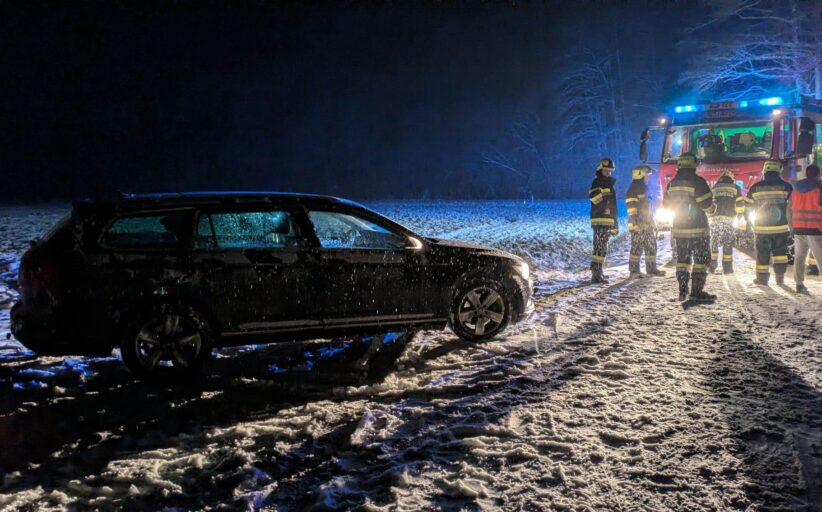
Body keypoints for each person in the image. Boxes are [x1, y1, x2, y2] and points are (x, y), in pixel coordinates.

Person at [664, 152, 715, 301]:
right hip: (698, 229)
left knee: (682, 260)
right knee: (701, 260)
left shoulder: (672, 183)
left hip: (679, 230)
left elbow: (667, 205)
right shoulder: (698, 181)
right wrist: (713, 209)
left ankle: (682, 290)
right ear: (694, 164)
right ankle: (696, 291)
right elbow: (707, 205)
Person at [744, 160, 793, 285]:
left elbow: (748, 207)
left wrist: (748, 223)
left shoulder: (755, 188)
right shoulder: (787, 187)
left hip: (761, 228)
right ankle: (780, 278)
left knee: (762, 254)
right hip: (781, 227)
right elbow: (792, 207)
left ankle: (762, 279)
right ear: (779, 170)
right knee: (780, 253)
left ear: (765, 171)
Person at [626, 165, 666, 278]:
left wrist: (652, 222)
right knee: (636, 248)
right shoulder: (633, 188)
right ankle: (634, 272)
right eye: (646, 175)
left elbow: (647, 208)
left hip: (647, 224)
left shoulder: (644, 187)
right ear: (640, 175)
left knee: (651, 246)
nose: (648, 177)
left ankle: (651, 269)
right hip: (638, 224)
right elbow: (631, 207)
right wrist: (634, 223)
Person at [791, 164, 822, 292]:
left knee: (799, 257)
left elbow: (789, 208)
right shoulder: (819, 187)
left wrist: (791, 226)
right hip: (815, 229)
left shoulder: (796, 188)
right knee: (820, 257)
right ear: (817, 174)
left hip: (798, 228)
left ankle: (799, 284)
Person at [589, 157, 618, 284]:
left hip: (606, 220)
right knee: (599, 247)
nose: (608, 173)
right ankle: (596, 275)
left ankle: (599, 272)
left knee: (602, 248)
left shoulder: (609, 184)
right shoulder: (597, 182)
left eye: (610, 171)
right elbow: (594, 198)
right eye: (606, 170)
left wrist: (614, 222)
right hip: (600, 220)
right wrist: (604, 207)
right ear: (600, 169)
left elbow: (613, 205)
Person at [709, 171, 741, 273]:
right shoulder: (735, 188)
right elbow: (740, 204)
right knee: (727, 243)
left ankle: (712, 265)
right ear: (731, 178)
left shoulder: (715, 187)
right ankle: (727, 268)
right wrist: (739, 215)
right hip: (728, 220)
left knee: (713, 242)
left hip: (714, 220)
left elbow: (710, 202)